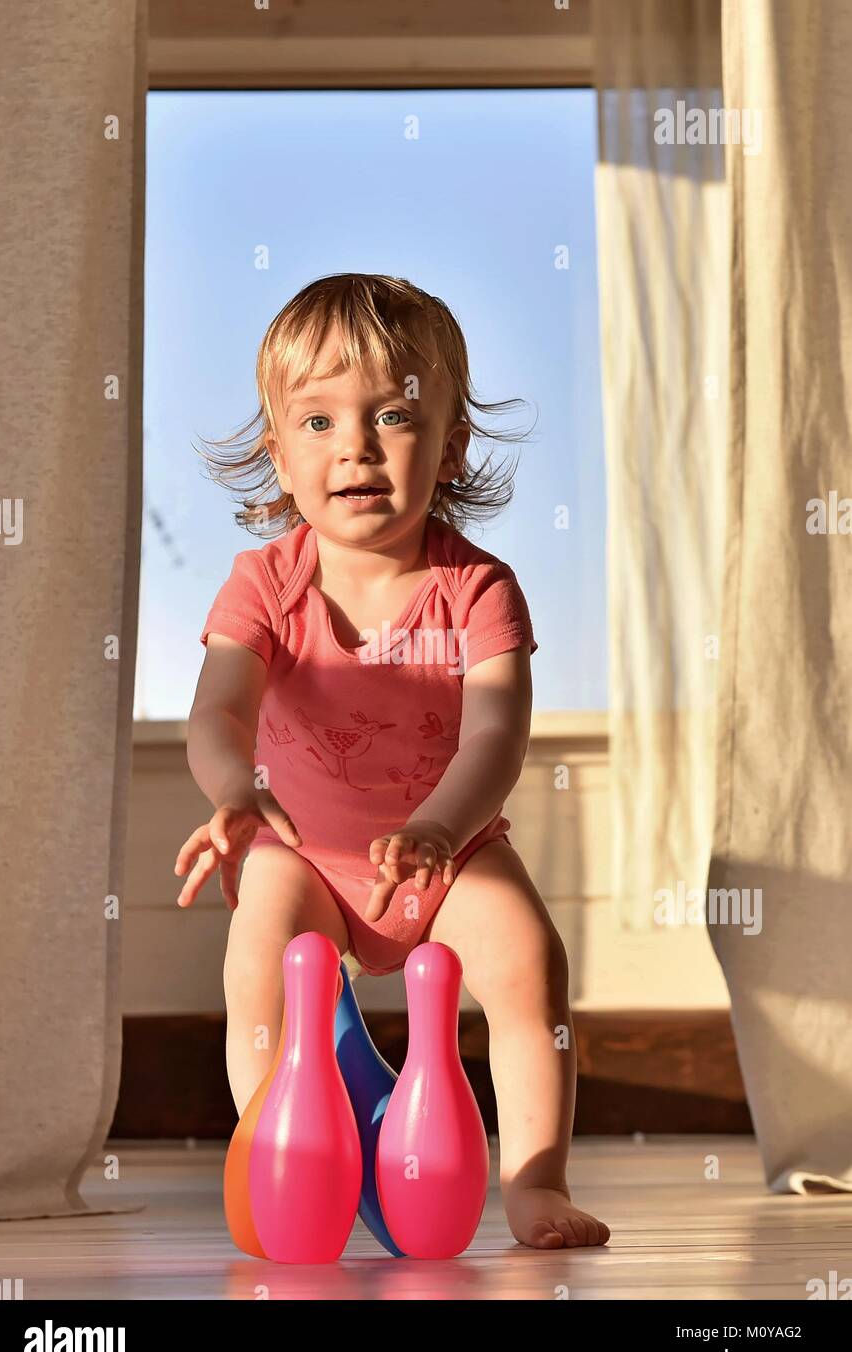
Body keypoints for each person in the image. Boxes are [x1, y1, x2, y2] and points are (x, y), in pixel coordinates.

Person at [175, 273, 610, 1251]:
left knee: (529, 960)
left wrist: (439, 831)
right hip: (305, 851)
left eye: (394, 416)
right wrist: (233, 791)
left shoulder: (478, 588)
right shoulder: (264, 585)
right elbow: (217, 713)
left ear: (450, 444)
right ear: (278, 456)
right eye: (320, 421)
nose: (356, 446)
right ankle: (279, 1151)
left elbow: (494, 734)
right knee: (259, 951)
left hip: (445, 846)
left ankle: (535, 1178)